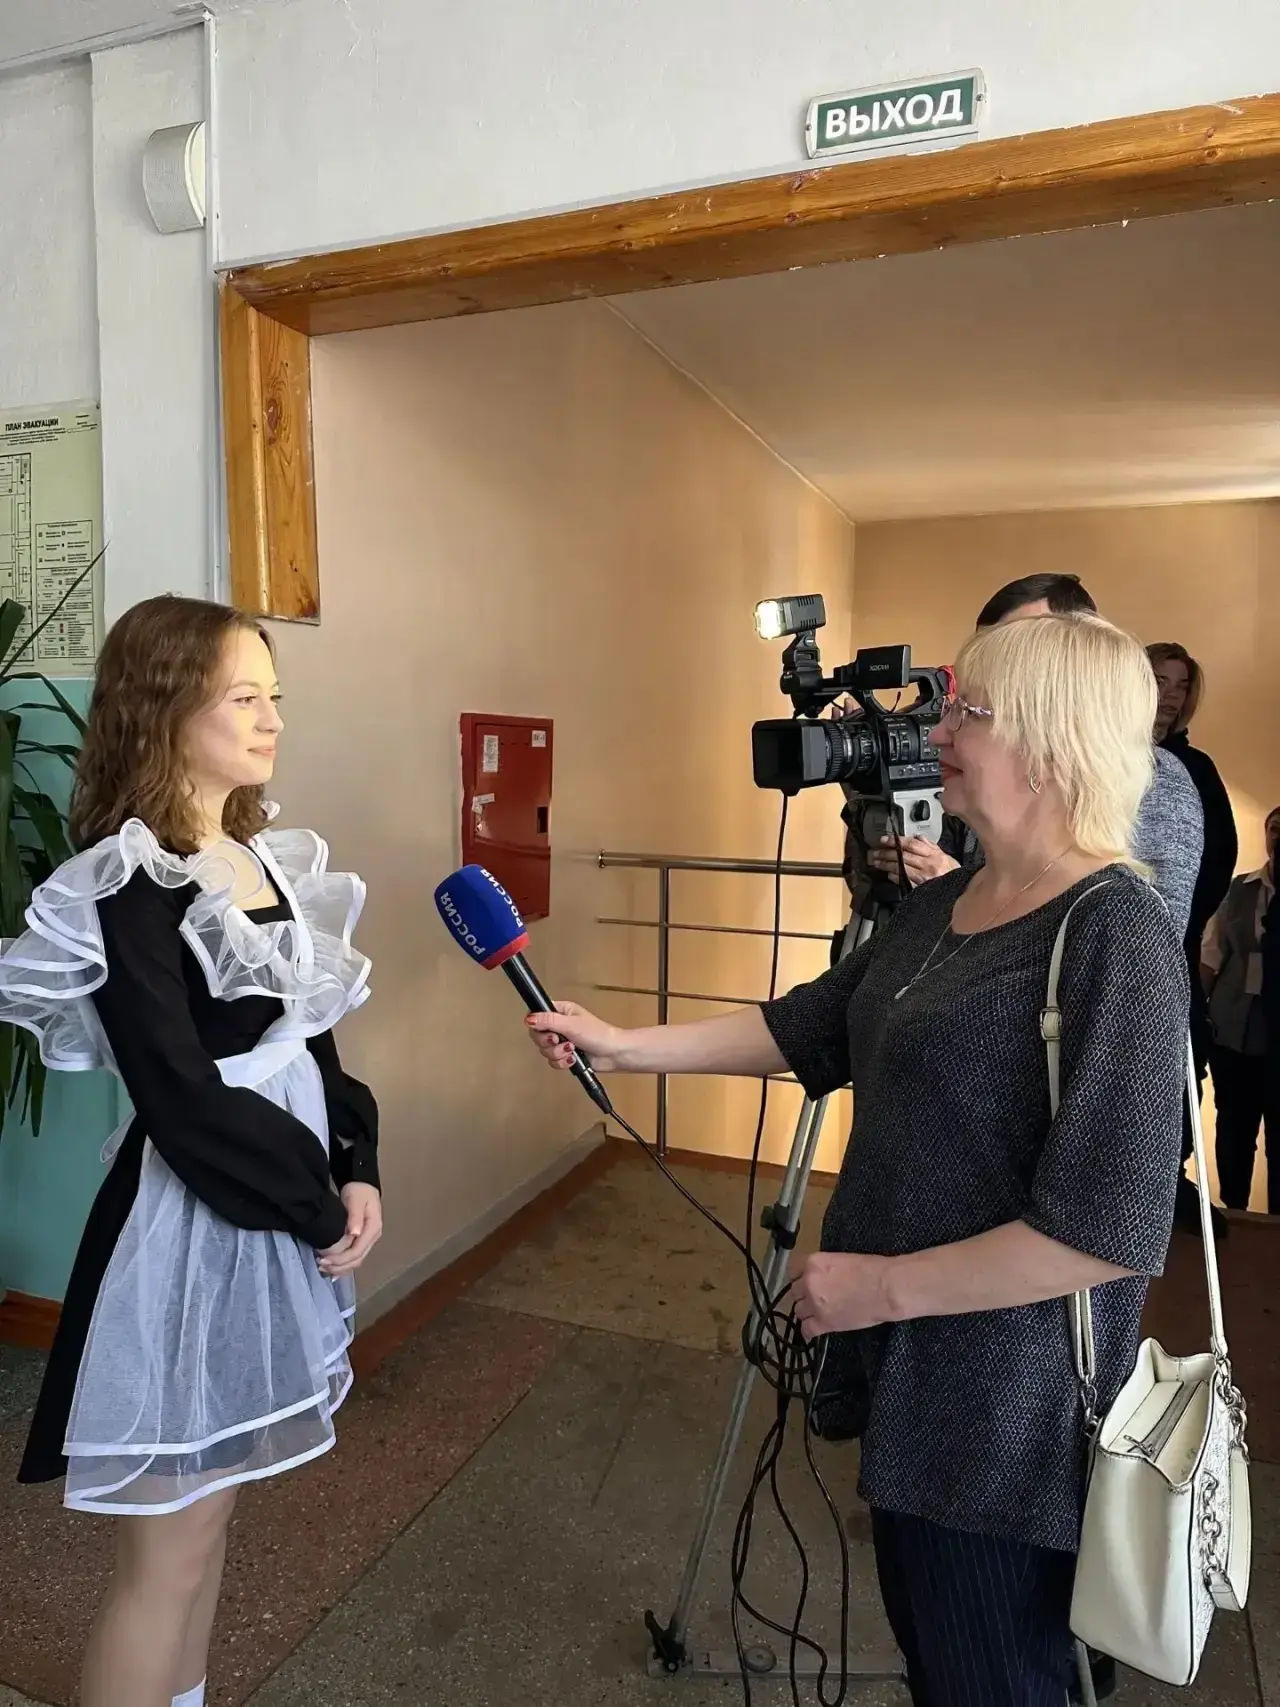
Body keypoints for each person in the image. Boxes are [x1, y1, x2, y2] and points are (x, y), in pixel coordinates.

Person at [529, 613, 1187, 1706]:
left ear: (1048, 741)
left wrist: (879, 1287)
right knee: (938, 1659)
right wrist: (624, 1044)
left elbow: (1106, 1230)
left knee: (992, 1676)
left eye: (968, 711)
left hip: (1000, 1418)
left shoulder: (1117, 933)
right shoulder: (946, 901)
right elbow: (811, 1024)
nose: (940, 731)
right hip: (909, 1378)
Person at [0, 597, 380, 1707]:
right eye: (242, 697)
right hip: (189, 1224)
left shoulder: (258, 856)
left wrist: (356, 1162)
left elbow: (312, 1042)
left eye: (275, 696)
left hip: (276, 1209)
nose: (272, 719)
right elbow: (181, 1099)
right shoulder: (126, 882)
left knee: (208, 1527)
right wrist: (317, 1205)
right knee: (165, 1554)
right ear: (165, 708)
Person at [857, 575, 1204, 938]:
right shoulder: (975, 769)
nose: (1005, 662)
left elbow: (1155, 937)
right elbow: (896, 874)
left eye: (1024, 643)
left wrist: (959, 891)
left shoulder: (1161, 783)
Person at [1146, 642, 1238, 1234]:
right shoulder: (1102, 758)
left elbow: (1218, 860)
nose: (1171, 696)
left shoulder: (1195, 770)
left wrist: (1177, 924)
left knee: (1185, 1059)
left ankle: (1167, 1177)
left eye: (1182, 686)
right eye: (1161, 681)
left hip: (1173, 944)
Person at [1203, 806, 1280, 1211]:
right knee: (1234, 1128)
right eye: (1274, 828)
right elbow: (1211, 955)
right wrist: (1197, 1015)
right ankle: (1233, 1215)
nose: (1279, 837)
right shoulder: (1238, 890)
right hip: (1234, 1031)